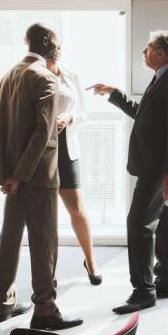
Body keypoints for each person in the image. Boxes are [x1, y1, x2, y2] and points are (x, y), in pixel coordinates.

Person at [89, 31, 168, 314]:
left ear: (160, 53)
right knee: (164, 222)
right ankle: (167, 281)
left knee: (138, 225)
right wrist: (114, 94)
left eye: (147, 48)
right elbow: (143, 114)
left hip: (158, 170)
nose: (143, 52)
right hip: (153, 166)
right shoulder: (161, 79)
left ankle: (143, 290)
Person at [0, 23, 82, 330]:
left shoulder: (6, 77)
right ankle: (45, 308)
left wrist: (6, 173)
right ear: (51, 46)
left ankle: (4, 302)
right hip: (38, 175)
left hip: (14, 177)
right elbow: (44, 134)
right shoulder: (45, 79)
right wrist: (21, 174)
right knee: (44, 241)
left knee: (10, 237)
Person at [45, 46, 101, 285]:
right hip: (43, 151)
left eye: (58, 48)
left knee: (77, 209)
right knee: (48, 214)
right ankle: (48, 271)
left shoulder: (70, 76)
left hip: (67, 151)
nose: (56, 52)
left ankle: (90, 261)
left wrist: (70, 117)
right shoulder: (34, 74)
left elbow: (84, 113)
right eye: (51, 48)